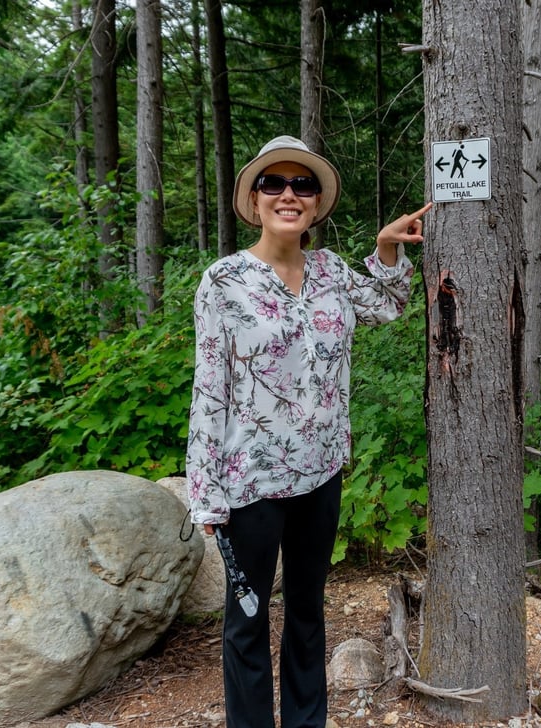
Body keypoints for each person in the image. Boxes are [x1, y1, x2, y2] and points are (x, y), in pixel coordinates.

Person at [186, 135, 431, 728]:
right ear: (253, 198)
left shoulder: (331, 273)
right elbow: (209, 388)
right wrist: (205, 490)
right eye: (274, 183)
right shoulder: (224, 282)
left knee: (306, 612)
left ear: (318, 203)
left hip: (321, 475)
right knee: (246, 622)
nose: (289, 195)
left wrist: (385, 250)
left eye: (303, 185)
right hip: (251, 484)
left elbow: (387, 306)